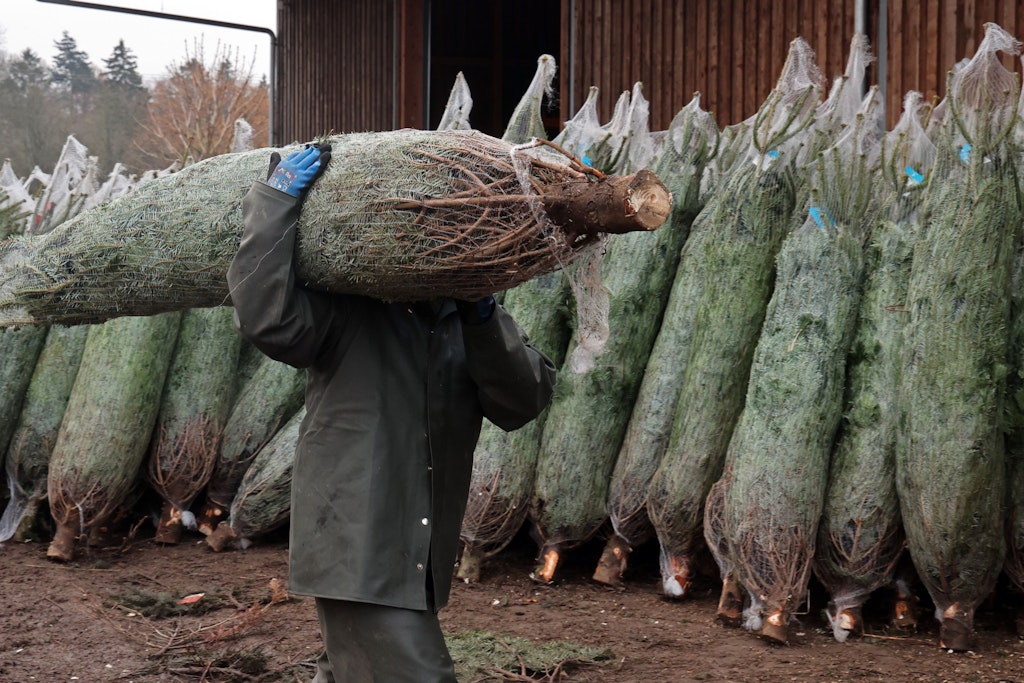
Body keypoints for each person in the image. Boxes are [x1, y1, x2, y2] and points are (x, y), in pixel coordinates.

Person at [226, 142, 557, 682]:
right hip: (357, 547)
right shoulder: (356, 310)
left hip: (413, 554)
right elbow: (268, 319)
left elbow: (522, 400)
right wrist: (273, 204)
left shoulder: (468, 322)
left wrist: (482, 312)